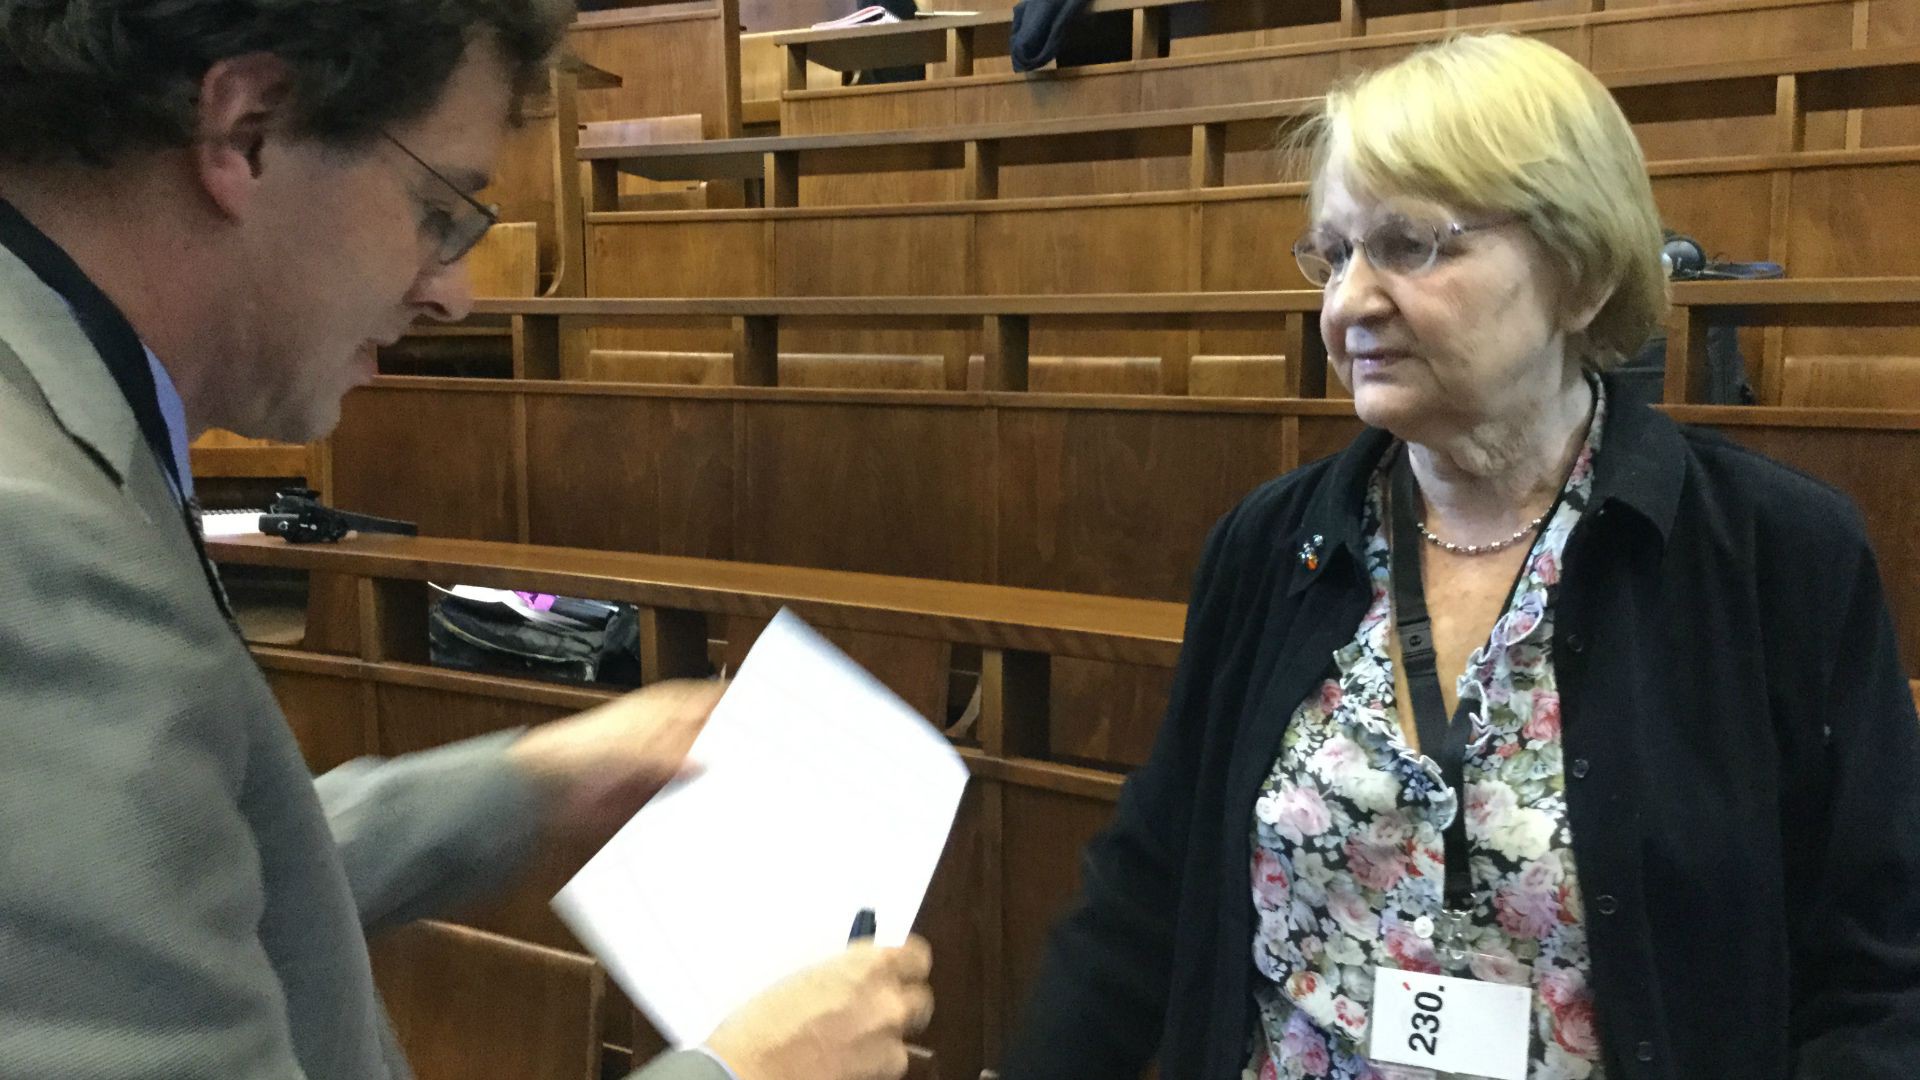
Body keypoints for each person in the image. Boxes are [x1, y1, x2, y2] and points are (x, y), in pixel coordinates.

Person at [0, 3, 931, 1079]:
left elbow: (174, 876)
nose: (454, 294)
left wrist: (530, 782)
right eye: (438, 210)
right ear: (247, 131)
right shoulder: (38, 547)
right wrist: (744, 1074)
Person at [997, 33, 1920, 1080]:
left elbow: (1879, 977)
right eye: (1334, 253)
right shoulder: (1271, 542)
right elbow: (1149, 885)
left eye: (1411, 246)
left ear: (1577, 273)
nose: (1348, 303)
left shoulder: (1776, 556)